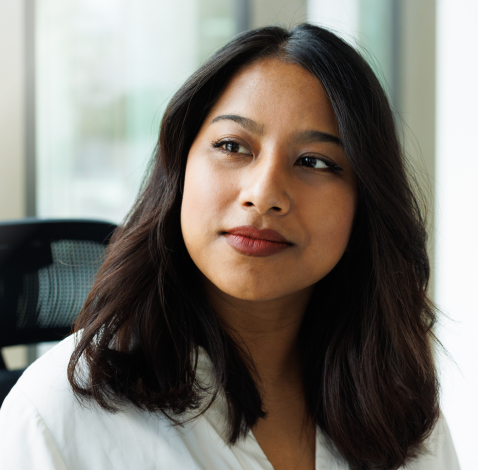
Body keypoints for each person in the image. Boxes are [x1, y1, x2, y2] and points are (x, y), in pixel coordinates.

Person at [0, 24, 460, 470]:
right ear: (179, 171)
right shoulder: (58, 415)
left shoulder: (399, 411)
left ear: (365, 202)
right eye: (233, 146)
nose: (263, 194)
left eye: (315, 161)